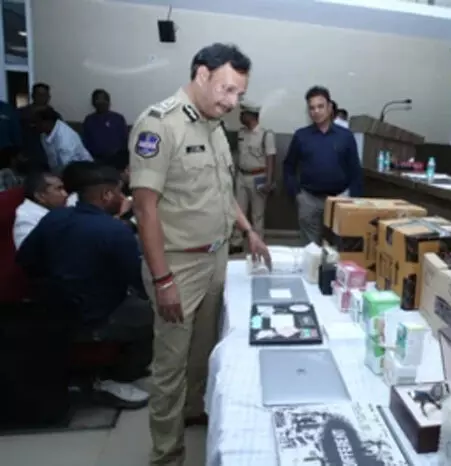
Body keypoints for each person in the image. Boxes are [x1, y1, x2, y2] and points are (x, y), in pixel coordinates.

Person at [129, 42, 271, 466]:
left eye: (239, 94)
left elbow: (223, 193)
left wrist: (249, 231)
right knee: (170, 365)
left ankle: (194, 412)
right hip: (177, 265)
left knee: (204, 350)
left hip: (216, 257)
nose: (232, 102)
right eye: (227, 90)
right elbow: (145, 209)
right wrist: (163, 280)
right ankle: (166, 455)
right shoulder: (159, 124)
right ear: (202, 75)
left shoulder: (214, 128)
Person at [16, 164, 151, 408]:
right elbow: (139, 282)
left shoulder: (53, 218)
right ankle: (112, 379)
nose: (123, 198)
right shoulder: (114, 232)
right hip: (94, 316)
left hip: (49, 310)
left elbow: (26, 260)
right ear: (107, 195)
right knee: (158, 313)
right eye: (119, 192)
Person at [283, 86, 362, 245]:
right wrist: (297, 194)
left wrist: (354, 200)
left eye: (320, 106)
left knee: (339, 247)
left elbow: (355, 170)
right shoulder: (301, 136)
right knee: (310, 249)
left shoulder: (345, 136)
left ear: (330, 107)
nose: (316, 111)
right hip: (309, 199)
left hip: (339, 200)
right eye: (312, 108)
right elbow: (288, 166)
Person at [230, 101, 276, 253]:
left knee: (257, 214)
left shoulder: (266, 134)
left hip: (258, 177)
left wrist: (268, 181)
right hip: (241, 176)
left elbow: (270, 158)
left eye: (243, 114)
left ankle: (258, 243)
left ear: (251, 116)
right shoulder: (241, 133)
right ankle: (236, 242)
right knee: (238, 211)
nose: (240, 117)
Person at [13, 171, 68, 249]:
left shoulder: (60, 209)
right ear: (40, 196)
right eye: (59, 189)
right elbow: (29, 254)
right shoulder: (26, 220)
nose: (65, 194)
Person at [35, 106, 93, 173]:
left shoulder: (64, 138)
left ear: (48, 122)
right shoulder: (44, 133)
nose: (34, 125)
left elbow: (67, 168)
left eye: (36, 122)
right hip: (61, 170)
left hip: (82, 172)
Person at [18, 83, 61, 171]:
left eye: (44, 95)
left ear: (49, 97)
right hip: (26, 158)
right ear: (32, 96)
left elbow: (60, 137)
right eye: (39, 94)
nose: (41, 98)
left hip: (48, 159)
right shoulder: (21, 114)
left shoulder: (55, 116)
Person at [82, 89, 129, 161]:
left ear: (109, 102)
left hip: (117, 158)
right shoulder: (89, 120)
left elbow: (125, 141)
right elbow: (85, 142)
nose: (101, 102)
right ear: (93, 103)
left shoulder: (118, 118)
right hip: (96, 159)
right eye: (98, 99)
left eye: (104, 99)